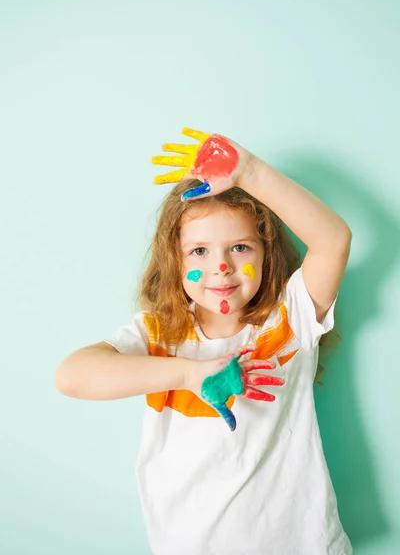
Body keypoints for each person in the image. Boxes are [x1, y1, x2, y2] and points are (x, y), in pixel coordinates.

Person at [55, 128, 353, 555]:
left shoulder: (289, 321)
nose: (222, 268)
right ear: (174, 260)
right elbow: (72, 376)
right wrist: (191, 373)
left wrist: (247, 171)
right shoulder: (158, 336)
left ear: (266, 254)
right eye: (199, 251)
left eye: (240, 247)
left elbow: (334, 240)